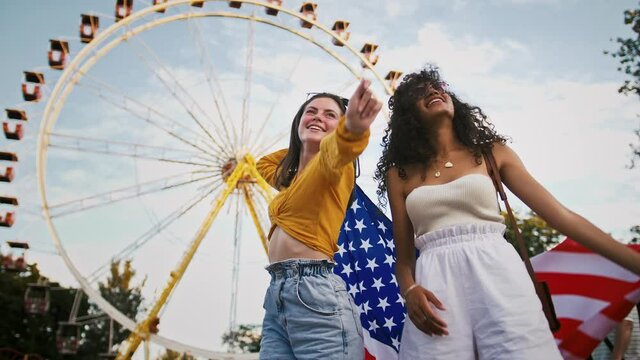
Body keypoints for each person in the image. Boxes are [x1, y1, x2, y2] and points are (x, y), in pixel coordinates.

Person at [373, 66, 640, 360]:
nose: (434, 91)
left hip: (499, 272)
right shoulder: (399, 175)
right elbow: (404, 259)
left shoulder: (491, 152)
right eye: (420, 92)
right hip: (436, 284)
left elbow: (561, 216)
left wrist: (633, 261)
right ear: (408, 116)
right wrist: (409, 291)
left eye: (438, 87)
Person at [256, 79, 382, 359]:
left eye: (330, 115)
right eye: (310, 112)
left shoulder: (334, 169)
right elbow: (261, 164)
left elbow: (341, 149)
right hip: (277, 295)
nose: (317, 117)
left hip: (314, 293)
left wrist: (351, 131)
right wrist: (302, 148)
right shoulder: (291, 182)